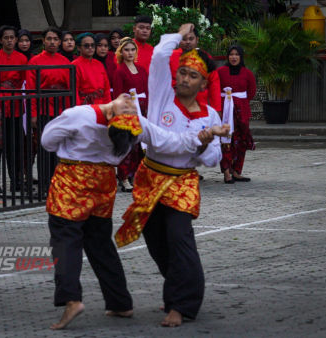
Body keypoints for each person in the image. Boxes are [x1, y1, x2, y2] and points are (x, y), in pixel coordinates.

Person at [42, 93, 218, 330]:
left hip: (71, 181)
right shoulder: (136, 126)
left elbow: (47, 141)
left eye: (129, 109)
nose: (130, 104)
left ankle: (71, 298)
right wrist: (201, 137)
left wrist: (72, 147)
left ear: (109, 114)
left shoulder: (79, 115)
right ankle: (120, 302)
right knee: (100, 244)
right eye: (128, 108)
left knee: (65, 240)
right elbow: (168, 140)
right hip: (103, 184)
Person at [115, 24, 228, 328]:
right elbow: (160, 56)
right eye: (182, 73)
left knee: (179, 237)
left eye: (193, 76)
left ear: (204, 83)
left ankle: (182, 305)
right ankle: (177, 286)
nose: (185, 79)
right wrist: (179, 35)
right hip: (150, 176)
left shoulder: (210, 116)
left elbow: (215, 159)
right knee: (155, 241)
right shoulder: (163, 95)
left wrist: (204, 144)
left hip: (182, 182)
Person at [0, 25, 27, 194]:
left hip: (15, 106)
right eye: (6, 37)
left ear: (16, 39)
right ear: (0, 40)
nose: (10, 40)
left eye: (12, 37)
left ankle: (15, 181)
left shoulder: (22, 59)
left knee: (14, 147)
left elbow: (22, 80)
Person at [113, 37, 149, 192]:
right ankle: (123, 177)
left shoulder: (141, 69)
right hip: (129, 111)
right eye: (126, 50)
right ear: (121, 52)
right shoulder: (119, 72)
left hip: (143, 110)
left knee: (141, 145)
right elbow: (119, 95)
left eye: (132, 49)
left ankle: (135, 175)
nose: (130, 53)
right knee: (128, 145)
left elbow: (147, 91)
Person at [217, 45, 256, 183]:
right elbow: (215, 89)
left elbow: (251, 91)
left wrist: (240, 103)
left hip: (241, 112)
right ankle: (227, 173)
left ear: (241, 56)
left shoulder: (247, 73)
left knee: (241, 141)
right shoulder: (220, 71)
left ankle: (237, 171)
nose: (234, 57)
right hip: (225, 112)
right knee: (226, 141)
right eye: (231, 54)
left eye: (237, 54)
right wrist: (220, 109)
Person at [169, 26, 222, 113]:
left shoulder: (204, 58)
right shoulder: (171, 56)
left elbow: (214, 83)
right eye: (184, 39)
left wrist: (217, 109)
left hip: (199, 104)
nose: (188, 42)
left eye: (191, 39)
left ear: (197, 39)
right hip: (174, 103)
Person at [15, 29, 37, 188]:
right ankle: (18, 174)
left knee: (32, 140)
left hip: (33, 101)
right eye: (21, 40)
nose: (24, 44)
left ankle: (28, 171)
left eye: (27, 40)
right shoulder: (16, 59)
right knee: (20, 139)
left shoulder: (35, 59)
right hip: (18, 100)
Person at [72, 33, 112, 104]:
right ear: (78, 48)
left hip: (101, 106)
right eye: (86, 45)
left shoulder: (99, 64)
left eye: (92, 45)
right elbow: (74, 91)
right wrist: (77, 110)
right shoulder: (75, 65)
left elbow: (106, 89)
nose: (90, 48)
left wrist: (108, 107)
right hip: (84, 105)